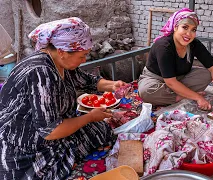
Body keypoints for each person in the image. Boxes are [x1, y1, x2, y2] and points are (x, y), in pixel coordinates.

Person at [0, 17, 126, 179]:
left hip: (48, 131)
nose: (84, 60)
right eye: (82, 56)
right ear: (62, 51)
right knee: (94, 133)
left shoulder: (59, 61)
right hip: (25, 148)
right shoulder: (42, 73)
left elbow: (88, 81)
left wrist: (113, 85)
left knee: (101, 130)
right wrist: (89, 117)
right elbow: (51, 131)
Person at [138, 8, 213, 110]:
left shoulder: (194, 44)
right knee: (146, 91)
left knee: (207, 74)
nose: (189, 34)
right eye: (185, 27)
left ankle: (180, 94)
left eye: (193, 30)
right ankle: (181, 95)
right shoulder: (163, 46)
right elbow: (170, 82)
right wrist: (198, 97)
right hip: (156, 79)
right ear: (176, 27)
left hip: (180, 78)